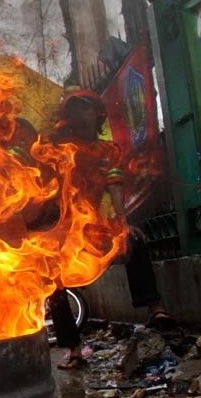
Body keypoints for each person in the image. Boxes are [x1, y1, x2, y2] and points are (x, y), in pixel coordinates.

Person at [46, 90, 174, 369]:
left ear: (98, 114)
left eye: (85, 109)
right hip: (64, 230)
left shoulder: (109, 151)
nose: (79, 116)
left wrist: (122, 223)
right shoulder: (61, 148)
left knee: (132, 239)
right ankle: (74, 350)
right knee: (52, 278)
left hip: (93, 228)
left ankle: (155, 309)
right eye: (73, 111)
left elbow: (115, 188)